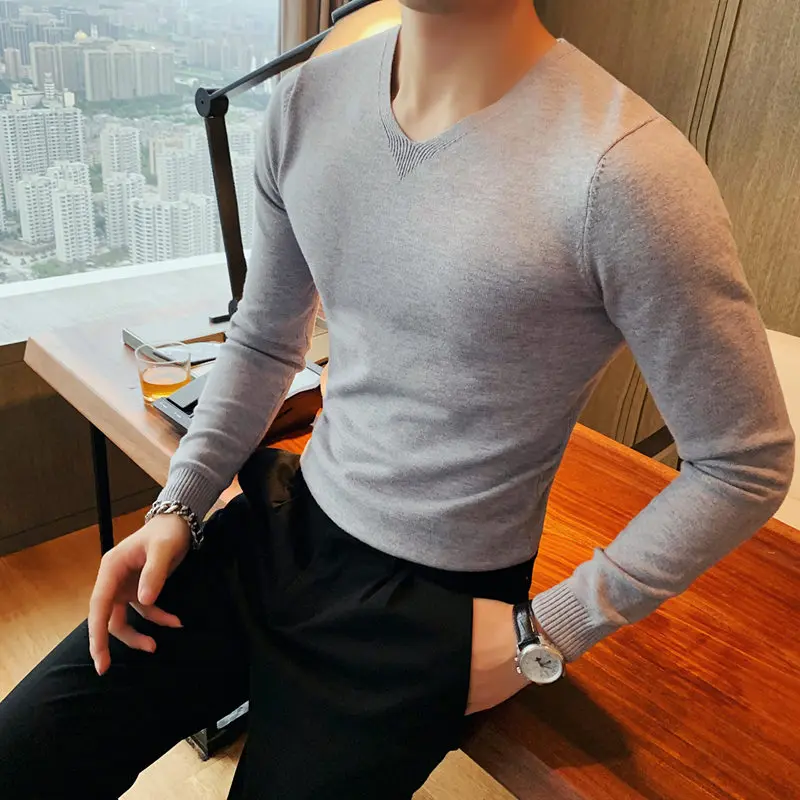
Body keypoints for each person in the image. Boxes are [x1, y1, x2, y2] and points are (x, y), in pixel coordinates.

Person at [1, 0, 794, 797]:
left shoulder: (625, 170)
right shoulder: (308, 101)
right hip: (284, 523)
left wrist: (549, 630)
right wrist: (179, 502)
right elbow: (265, 339)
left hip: (429, 608)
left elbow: (743, 462)